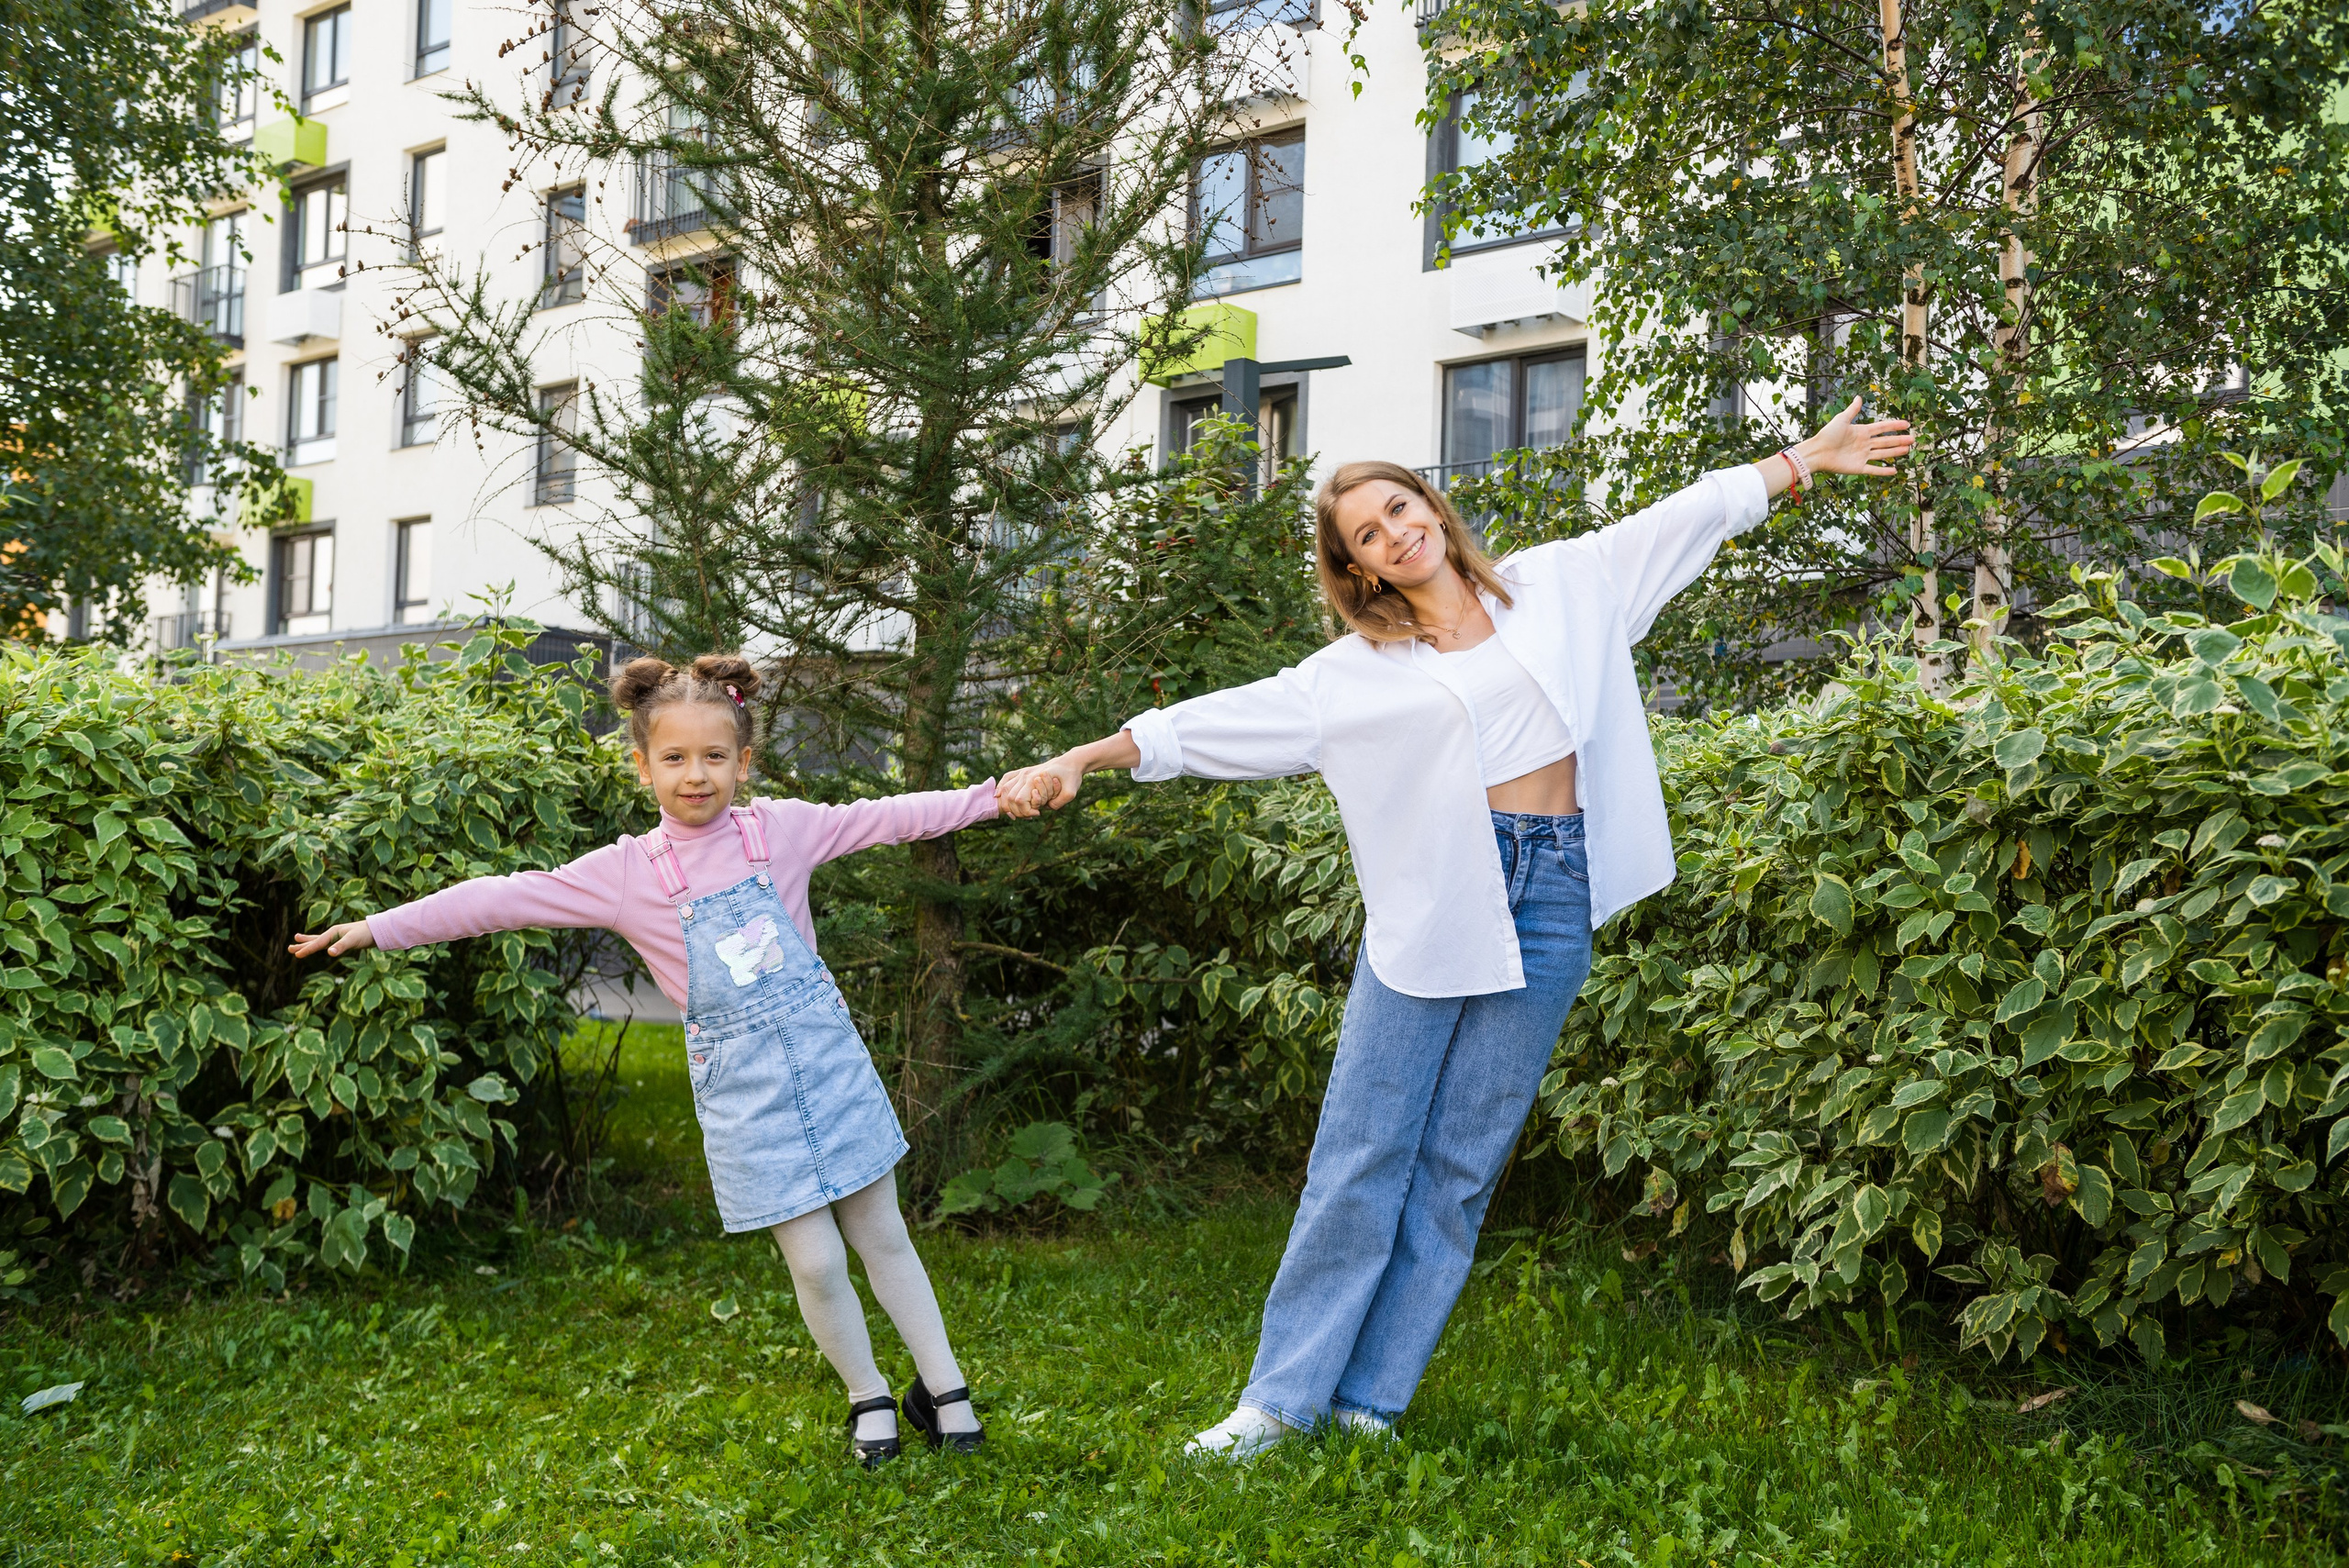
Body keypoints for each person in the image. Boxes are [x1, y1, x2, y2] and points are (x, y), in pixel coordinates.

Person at [996, 397, 1913, 1458]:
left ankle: (1368, 1403)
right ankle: (1276, 1403)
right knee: (1362, 1152)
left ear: (1432, 500)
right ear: (1361, 570)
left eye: (1399, 506)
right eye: (1368, 536)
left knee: (1461, 1164)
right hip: (1435, 899)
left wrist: (1807, 458)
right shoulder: (1350, 676)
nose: (1395, 533)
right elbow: (1206, 724)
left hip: (1555, 884)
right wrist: (1078, 759)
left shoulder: (1564, 583)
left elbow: (1691, 512)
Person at [291, 653, 996, 1468]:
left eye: (715, 756)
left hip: (830, 1067)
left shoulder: (785, 831)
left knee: (882, 1230)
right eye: (674, 757)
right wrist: (380, 926)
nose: (696, 775)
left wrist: (997, 794)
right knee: (815, 1257)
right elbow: (497, 895)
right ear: (642, 763)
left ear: (744, 760)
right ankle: (868, 1393)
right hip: (747, 1095)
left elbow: (899, 813)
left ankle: (944, 1391)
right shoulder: (627, 873)